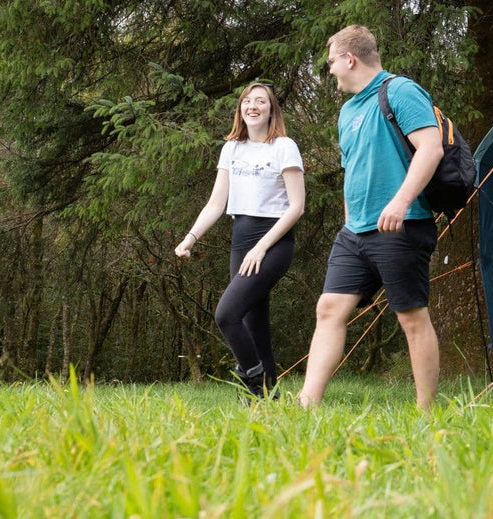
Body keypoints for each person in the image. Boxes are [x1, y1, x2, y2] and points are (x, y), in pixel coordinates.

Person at [299, 25, 443, 410]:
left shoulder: (401, 91)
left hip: (402, 222)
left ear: (350, 59)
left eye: (331, 62)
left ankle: (426, 411)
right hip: (355, 231)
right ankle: (305, 405)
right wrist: (349, 220)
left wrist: (399, 202)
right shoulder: (347, 111)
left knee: (411, 317)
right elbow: (354, 170)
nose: (329, 70)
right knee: (328, 308)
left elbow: (431, 149)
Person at [174, 82, 306, 399]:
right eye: (247, 101)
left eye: (260, 101)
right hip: (241, 239)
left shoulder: (284, 146)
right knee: (253, 322)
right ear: (240, 110)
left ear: (271, 110)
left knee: (226, 315)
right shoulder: (231, 148)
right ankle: (267, 401)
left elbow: (297, 207)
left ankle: (253, 383)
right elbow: (216, 203)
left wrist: (262, 247)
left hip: (273, 241)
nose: (253, 106)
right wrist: (190, 237)